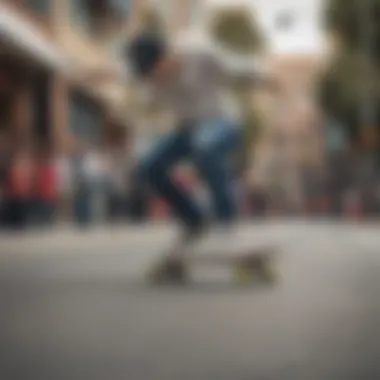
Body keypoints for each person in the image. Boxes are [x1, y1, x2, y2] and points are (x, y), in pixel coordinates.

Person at [82, 32, 280, 272]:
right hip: (187, 129)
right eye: (148, 75)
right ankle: (194, 221)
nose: (155, 78)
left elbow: (235, 64)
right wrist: (93, 74)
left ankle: (225, 225)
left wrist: (266, 76)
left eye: (156, 70)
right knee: (149, 166)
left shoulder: (198, 51)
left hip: (223, 121)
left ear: (167, 55)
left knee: (205, 146)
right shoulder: (144, 72)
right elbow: (118, 73)